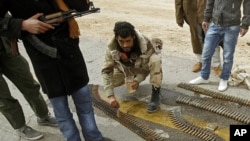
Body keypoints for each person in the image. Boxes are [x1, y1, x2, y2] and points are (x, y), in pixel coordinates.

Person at [0, 0, 104, 141]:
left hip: (69, 52)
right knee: (62, 113)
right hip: (43, 59)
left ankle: (94, 138)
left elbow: (83, 6)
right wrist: (23, 25)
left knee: (85, 104)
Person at [0, 36, 57, 140]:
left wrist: (12, 38)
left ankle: (43, 115)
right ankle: (21, 127)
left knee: (29, 84)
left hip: (5, 48)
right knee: (3, 96)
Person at [101, 21, 163, 113]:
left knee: (156, 60)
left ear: (133, 37)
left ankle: (156, 94)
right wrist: (110, 96)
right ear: (116, 38)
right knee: (110, 83)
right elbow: (106, 71)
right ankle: (130, 79)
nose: (125, 45)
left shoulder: (145, 43)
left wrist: (137, 80)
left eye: (128, 41)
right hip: (124, 70)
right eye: (121, 41)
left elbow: (146, 69)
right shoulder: (111, 48)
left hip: (140, 68)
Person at [189, 0, 250, 92]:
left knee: (228, 56)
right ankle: (204, 77)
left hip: (232, 26)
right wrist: (206, 18)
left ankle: (224, 79)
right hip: (215, 24)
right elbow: (210, 2)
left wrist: (245, 24)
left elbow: (248, 4)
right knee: (206, 53)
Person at [175, 0, 222, 75]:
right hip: (192, 13)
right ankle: (201, 61)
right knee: (196, 40)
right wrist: (179, 17)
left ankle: (216, 65)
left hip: (210, 13)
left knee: (213, 40)